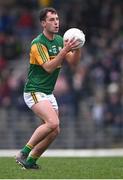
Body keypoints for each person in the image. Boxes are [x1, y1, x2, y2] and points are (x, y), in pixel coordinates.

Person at [15, 7, 82, 169]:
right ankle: (23, 153)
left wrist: (78, 47)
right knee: (52, 122)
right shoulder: (37, 44)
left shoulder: (60, 40)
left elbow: (73, 63)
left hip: (47, 92)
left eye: (57, 19)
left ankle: (30, 162)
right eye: (52, 20)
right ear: (43, 23)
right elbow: (49, 67)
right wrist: (65, 50)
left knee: (55, 130)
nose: (56, 22)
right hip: (34, 90)